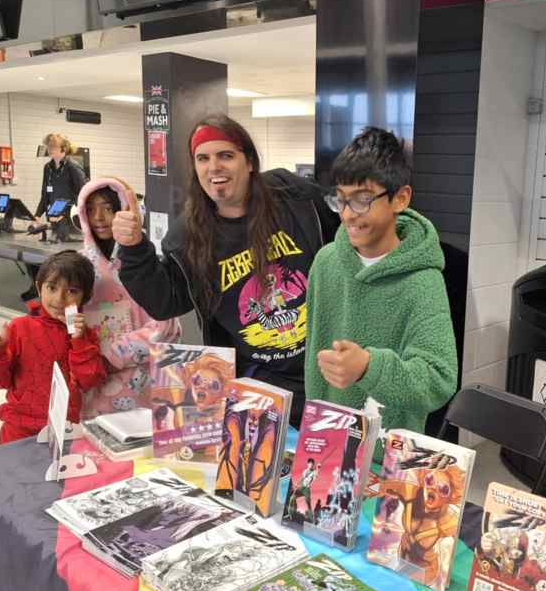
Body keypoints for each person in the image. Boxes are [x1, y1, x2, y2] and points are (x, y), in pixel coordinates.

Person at [113, 114, 338, 427]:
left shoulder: (295, 198)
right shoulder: (187, 237)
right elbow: (165, 302)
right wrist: (134, 248)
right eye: (202, 158)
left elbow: (352, 231)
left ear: (249, 163)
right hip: (260, 385)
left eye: (226, 156)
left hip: (329, 372)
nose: (213, 167)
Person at [304, 127, 458, 433]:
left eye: (362, 200)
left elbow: (438, 378)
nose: (348, 214)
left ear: (400, 198)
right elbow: (314, 354)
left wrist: (368, 367)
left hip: (388, 455)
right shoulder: (326, 262)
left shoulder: (422, 281)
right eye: (341, 200)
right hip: (325, 444)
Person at [0, 250, 107, 445]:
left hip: (65, 430)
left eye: (72, 291)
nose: (59, 299)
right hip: (18, 429)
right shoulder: (19, 327)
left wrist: (80, 341)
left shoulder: (85, 335)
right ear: (39, 288)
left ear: (85, 296)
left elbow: (89, 381)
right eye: (52, 287)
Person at [77, 176, 181, 418]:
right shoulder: (80, 266)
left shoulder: (145, 261)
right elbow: (67, 317)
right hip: (95, 386)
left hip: (145, 384)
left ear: (124, 209)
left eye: (108, 208)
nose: (99, 218)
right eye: (90, 210)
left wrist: (114, 356)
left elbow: (166, 324)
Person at [22, 133, 86, 301]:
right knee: (40, 257)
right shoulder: (48, 168)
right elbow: (45, 195)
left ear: (63, 149)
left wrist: (65, 213)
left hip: (71, 221)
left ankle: (65, 296)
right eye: (48, 147)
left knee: (65, 262)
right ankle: (38, 290)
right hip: (54, 219)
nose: (49, 150)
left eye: (52, 147)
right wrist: (36, 215)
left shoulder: (73, 168)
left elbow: (83, 195)